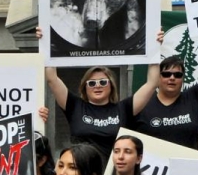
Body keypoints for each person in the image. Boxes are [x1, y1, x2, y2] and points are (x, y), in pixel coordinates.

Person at [39, 26, 161, 161]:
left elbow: (152, 83)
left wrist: (154, 47)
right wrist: (46, 42)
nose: (97, 86)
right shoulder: (74, 106)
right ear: (84, 88)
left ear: (111, 85)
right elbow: (52, 79)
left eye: (103, 82)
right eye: (91, 83)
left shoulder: (124, 108)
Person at [133, 25, 198, 148]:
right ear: (158, 77)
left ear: (183, 78)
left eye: (177, 75)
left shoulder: (194, 98)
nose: (172, 78)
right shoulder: (142, 104)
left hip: (189, 166)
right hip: (152, 167)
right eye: (166, 74)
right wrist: (153, 48)